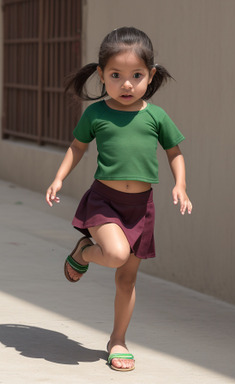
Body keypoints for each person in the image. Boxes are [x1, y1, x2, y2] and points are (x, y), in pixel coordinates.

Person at [46, 27, 192, 372]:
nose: (126, 84)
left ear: (150, 75)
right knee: (114, 254)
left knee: (127, 280)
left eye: (136, 75)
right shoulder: (96, 114)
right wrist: (59, 176)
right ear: (101, 75)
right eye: (116, 75)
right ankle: (84, 250)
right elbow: (78, 146)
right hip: (104, 202)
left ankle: (118, 340)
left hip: (141, 209)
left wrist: (181, 185)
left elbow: (175, 152)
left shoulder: (156, 116)